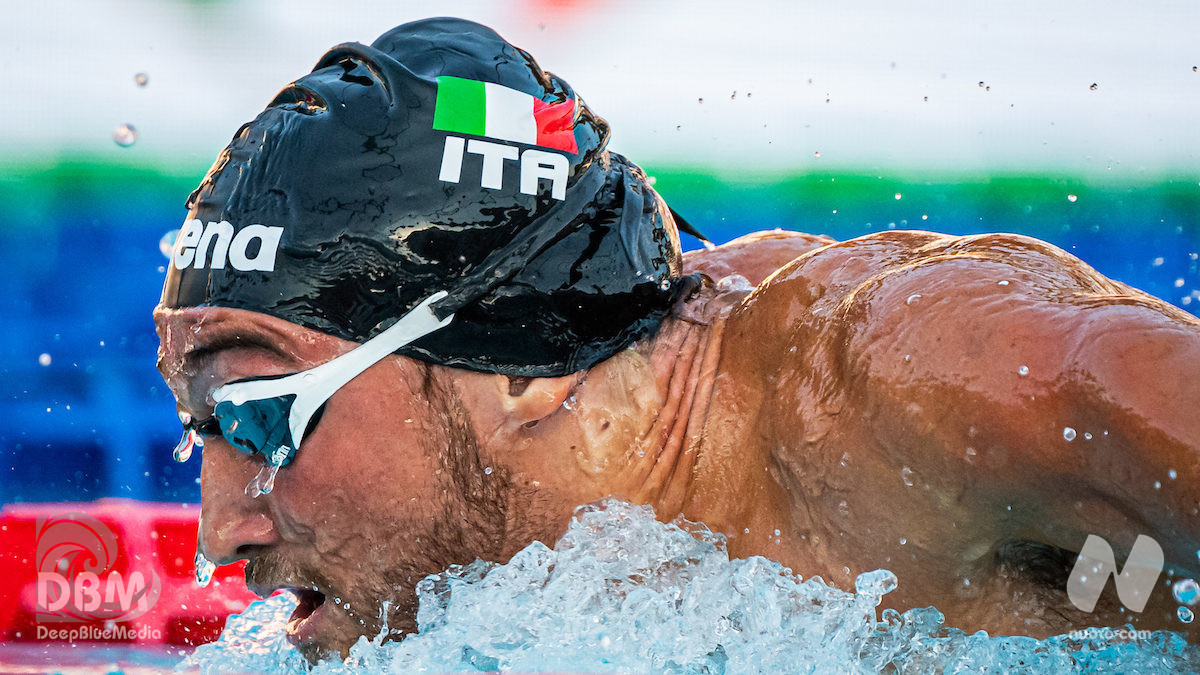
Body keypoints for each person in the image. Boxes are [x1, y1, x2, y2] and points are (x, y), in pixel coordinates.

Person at [155, 17, 1200, 662]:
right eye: (203, 430)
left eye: (262, 418)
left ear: (517, 363)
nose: (217, 531)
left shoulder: (917, 380)